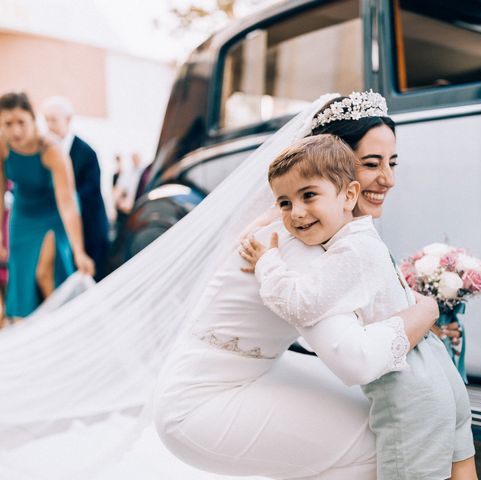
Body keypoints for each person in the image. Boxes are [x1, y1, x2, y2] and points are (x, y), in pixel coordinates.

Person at [0, 93, 448, 478]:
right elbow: (355, 360)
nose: (388, 178)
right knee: (376, 437)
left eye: (392, 162)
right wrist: (425, 312)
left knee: (362, 413)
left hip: (243, 369)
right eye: (371, 164)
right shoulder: (299, 235)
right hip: (201, 405)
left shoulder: (319, 227)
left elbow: (346, 315)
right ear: (329, 166)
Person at [241, 134, 476, 479]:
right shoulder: (364, 239)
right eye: (285, 203)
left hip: (408, 391)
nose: (297, 213)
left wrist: (268, 263)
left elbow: (300, 304)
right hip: (438, 373)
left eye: (308, 195)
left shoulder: (350, 253)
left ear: (349, 195)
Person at [0, 92, 94, 320]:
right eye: (7, 123)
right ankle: (27, 328)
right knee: (21, 278)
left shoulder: (52, 150)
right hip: (22, 215)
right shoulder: (3, 147)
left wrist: (79, 250)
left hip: (53, 212)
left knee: (45, 273)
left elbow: (68, 202)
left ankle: (64, 323)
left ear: (33, 120)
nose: (15, 131)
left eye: (21, 122)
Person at [42, 96, 110, 281]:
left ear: (68, 119)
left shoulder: (87, 152)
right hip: (58, 227)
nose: (49, 125)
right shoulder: (46, 152)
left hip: (90, 226)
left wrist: (61, 199)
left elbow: (90, 190)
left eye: (54, 119)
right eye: (46, 119)